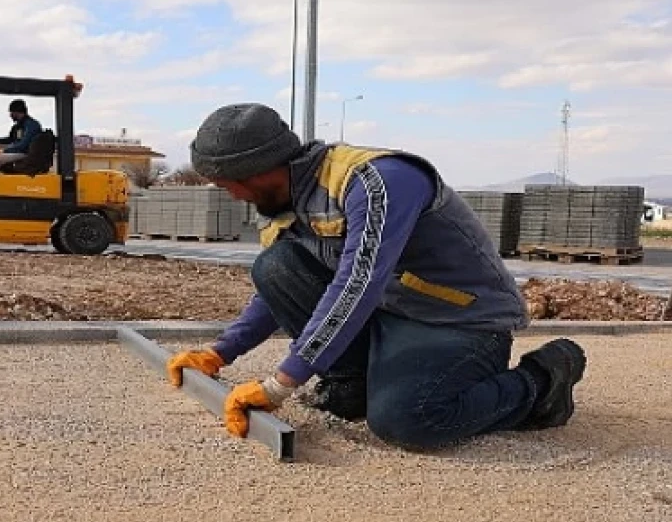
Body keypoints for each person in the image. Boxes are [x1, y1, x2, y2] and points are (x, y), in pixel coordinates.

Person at [165, 103, 588, 450]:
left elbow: (358, 283)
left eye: (226, 185)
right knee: (275, 266)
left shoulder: (376, 182)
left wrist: (280, 384)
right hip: (393, 312)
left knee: (409, 421)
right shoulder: (286, 206)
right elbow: (274, 293)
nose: (230, 196)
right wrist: (221, 352)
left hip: (459, 322)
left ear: (257, 172)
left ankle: (542, 379)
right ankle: (352, 385)